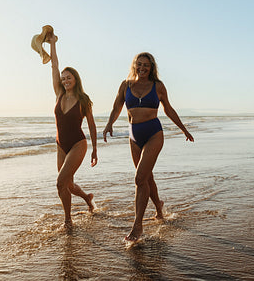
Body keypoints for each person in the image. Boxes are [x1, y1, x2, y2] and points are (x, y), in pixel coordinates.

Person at [103, 52, 194, 242]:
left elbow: (168, 109)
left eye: (146, 65)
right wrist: (109, 124)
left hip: (153, 133)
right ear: (134, 65)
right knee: (146, 177)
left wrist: (184, 130)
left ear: (152, 67)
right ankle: (159, 207)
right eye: (139, 64)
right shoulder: (125, 85)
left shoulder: (158, 86)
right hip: (133, 136)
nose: (142, 68)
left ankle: (138, 226)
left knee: (139, 178)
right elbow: (116, 107)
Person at [46, 31, 98, 229]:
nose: (66, 80)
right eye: (63, 78)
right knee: (67, 184)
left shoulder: (83, 100)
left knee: (60, 182)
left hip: (78, 144)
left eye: (69, 78)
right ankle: (87, 198)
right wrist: (52, 44)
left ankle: (68, 220)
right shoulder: (59, 94)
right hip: (61, 145)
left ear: (75, 79)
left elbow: (92, 125)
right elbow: (54, 66)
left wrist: (94, 149)